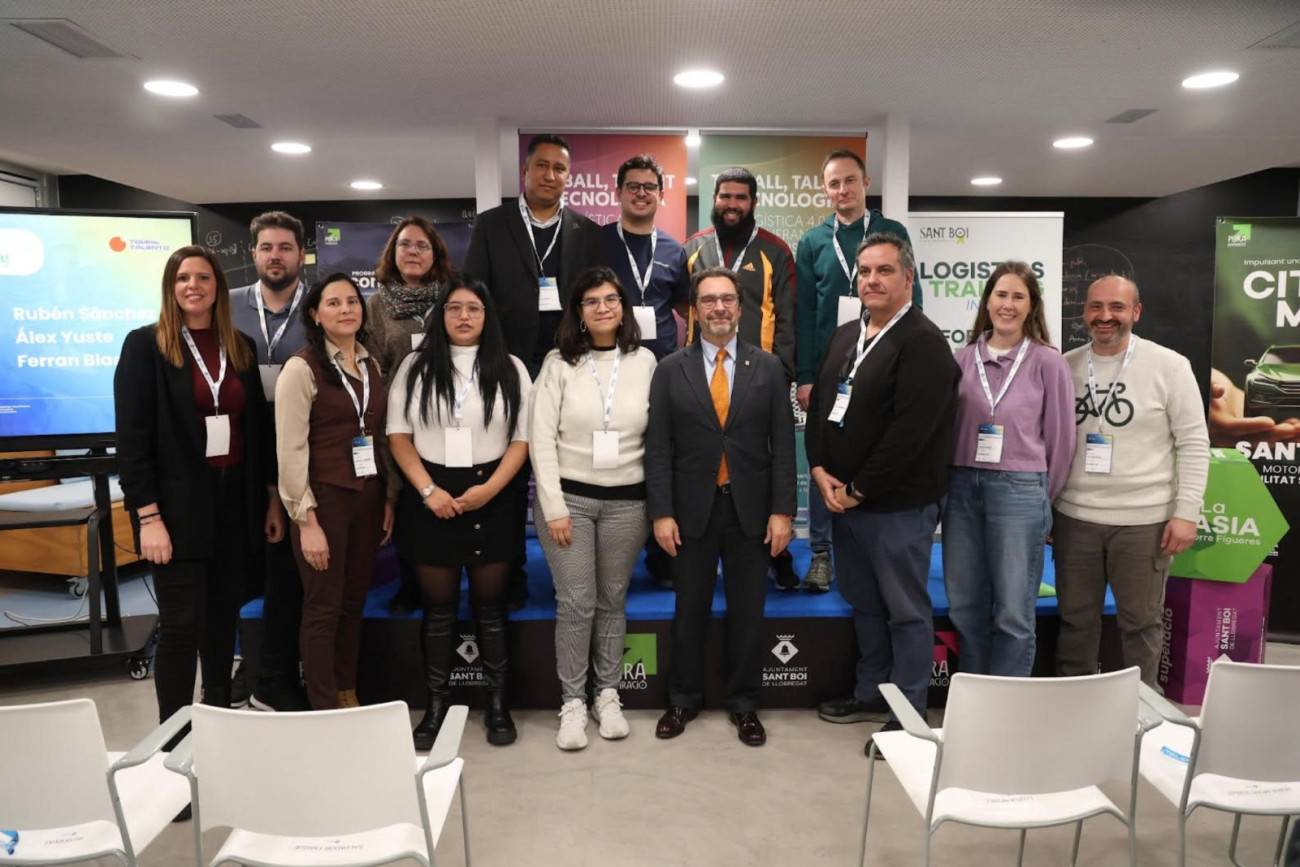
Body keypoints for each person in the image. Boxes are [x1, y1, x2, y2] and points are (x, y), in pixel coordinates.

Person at [804, 233, 959, 757]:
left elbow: (911, 434)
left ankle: (908, 716)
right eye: (865, 271)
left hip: (897, 506)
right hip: (843, 501)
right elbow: (820, 405)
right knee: (865, 605)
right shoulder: (847, 334)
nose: (872, 279)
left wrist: (859, 488)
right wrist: (819, 468)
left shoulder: (923, 343)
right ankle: (871, 692)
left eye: (885, 270)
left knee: (905, 612)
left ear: (908, 278)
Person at [114, 244, 282, 725]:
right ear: (171, 288)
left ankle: (217, 715)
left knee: (222, 618)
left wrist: (271, 499)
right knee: (181, 625)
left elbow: (257, 430)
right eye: (183, 278)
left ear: (218, 287)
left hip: (234, 501)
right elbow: (133, 439)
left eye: (204, 277)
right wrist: (148, 517)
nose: (194, 286)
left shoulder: (240, 345)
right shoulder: (145, 346)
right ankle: (172, 733)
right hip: (175, 508)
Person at [647, 266, 796, 747]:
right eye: (708, 299)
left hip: (751, 511)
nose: (719, 308)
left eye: (727, 299)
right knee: (688, 609)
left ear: (740, 306)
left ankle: (744, 704)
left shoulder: (768, 368)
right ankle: (683, 699)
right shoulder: (669, 369)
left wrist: (783, 512)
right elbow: (658, 448)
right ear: (694, 308)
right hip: (691, 511)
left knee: (748, 613)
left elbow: (783, 446)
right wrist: (661, 512)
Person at [387, 276, 532, 747]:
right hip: (431, 495)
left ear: (487, 315)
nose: (464, 316)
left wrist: (489, 490)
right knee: (439, 610)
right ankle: (435, 707)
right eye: (454, 308)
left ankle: (497, 705)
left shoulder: (511, 368)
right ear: (441, 315)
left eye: (473, 308)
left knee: (491, 609)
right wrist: (429, 490)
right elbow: (398, 435)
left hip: (494, 494)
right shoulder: (415, 365)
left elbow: (522, 439)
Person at [463, 133, 606, 610]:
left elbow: (595, 298)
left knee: (563, 464)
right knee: (508, 465)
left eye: (559, 168)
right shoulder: (492, 224)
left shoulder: (587, 230)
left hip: (569, 362)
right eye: (542, 166)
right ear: (525, 172)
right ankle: (510, 572)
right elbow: (475, 292)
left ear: (569, 177)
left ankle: (572, 568)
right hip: (507, 363)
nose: (550, 175)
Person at [1053, 275, 1210, 686]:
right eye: (1096, 307)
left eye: (1117, 307)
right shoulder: (1064, 366)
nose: (1105, 316)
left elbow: (1194, 443)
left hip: (1144, 522)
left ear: (1135, 312)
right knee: (1075, 621)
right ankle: (1075, 701)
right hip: (1075, 519)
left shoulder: (1170, 366)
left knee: (1141, 623)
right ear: (1084, 312)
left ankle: (1144, 707)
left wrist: (1187, 513)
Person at [532, 266, 657, 750]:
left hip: (628, 504)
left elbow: (656, 437)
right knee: (576, 601)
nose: (603, 308)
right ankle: (572, 703)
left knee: (612, 600)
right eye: (592, 301)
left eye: (611, 299)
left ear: (623, 307)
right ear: (579, 313)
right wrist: (554, 507)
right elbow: (541, 438)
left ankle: (607, 695)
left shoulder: (645, 361)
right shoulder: (558, 363)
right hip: (570, 503)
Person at [793, 150, 923, 593]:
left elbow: (913, 298)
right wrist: (806, 375)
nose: (842, 190)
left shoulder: (892, 231)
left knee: (874, 447)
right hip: (831, 366)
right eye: (834, 183)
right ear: (824, 189)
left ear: (866, 183)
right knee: (824, 456)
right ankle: (821, 553)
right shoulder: (813, 241)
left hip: (882, 361)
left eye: (850, 180)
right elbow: (806, 312)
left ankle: (869, 543)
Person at [942, 261, 1075, 677]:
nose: (1008, 305)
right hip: (961, 487)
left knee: (1014, 612)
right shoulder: (961, 360)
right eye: (1001, 294)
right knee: (965, 604)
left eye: (1019, 296)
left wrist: (1039, 498)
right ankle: (976, 695)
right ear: (987, 301)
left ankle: (1008, 701)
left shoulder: (1047, 362)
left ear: (1031, 305)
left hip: (1020, 490)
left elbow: (1061, 440)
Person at [275, 273, 394, 710]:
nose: (346, 309)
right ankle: (323, 706)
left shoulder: (369, 363)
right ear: (315, 314)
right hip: (322, 503)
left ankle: (347, 693)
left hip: (367, 498)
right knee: (323, 606)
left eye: (352, 301)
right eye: (333, 303)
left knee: (353, 602)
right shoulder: (300, 368)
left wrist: (387, 499)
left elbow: (379, 438)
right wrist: (306, 521)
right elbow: (290, 450)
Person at [683, 166, 800, 591]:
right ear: (714, 199)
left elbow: (787, 317)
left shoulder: (775, 250)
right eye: (725, 196)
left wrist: (781, 377)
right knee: (703, 463)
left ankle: (777, 553)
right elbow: (683, 311)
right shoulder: (694, 248)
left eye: (740, 197)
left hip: (759, 381)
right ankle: (701, 549)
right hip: (703, 379)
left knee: (764, 467)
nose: (732, 205)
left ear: (753, 203)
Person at [229, 209, 310, 712]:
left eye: (285, 247)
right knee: (240, 565)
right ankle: (242, 663)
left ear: (301, 254)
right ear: (253, 254)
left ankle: (278, 668)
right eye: (266, 248)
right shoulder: (227, 305)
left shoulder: (319, 307)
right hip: (238, 452)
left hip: (299, 450)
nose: (275, 256)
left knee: (287, 572)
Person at [601, 153, 689, 589]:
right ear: (618, 192)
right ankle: (608, 551)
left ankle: (661, 553)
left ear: (660, 194)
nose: (641, 193)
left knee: (662, 459)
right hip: (606, 368)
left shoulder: (674, 250)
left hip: (661, 370)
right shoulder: (597, 243)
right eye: (633, 186)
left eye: (649, 187)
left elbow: (685, 307)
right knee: (613, 454)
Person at [364, 216, 455, 616]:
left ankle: (451, 571)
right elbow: (373, 364)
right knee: (406, 497)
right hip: (396, 416)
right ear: (393, 252)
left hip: (448, 413)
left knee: (446, 487)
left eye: (421, 245)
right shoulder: (376, 305)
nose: (413, 252)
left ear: (435, 253)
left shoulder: (451, 296)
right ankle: (411, 580)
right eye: (405, 244)